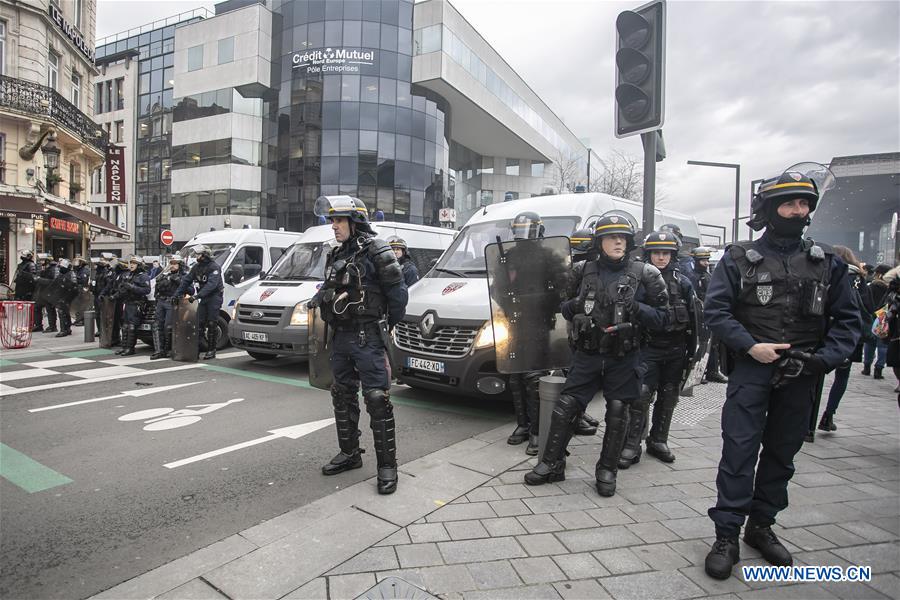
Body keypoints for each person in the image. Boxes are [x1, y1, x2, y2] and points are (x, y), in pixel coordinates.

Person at [702, 164, 860, 580]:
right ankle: (727, 533)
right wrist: (750, 345)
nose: (798, 209)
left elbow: (848, 322)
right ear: (770, 209)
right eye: (789, 203)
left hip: (804, 372)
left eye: (804, 203)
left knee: (782, 454)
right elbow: (716, 311)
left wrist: (823, 359)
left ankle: (762, 525)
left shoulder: (828, 262)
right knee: (738, 453)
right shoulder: (738, 258)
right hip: (752, 370)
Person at [524, 213, 668, 497]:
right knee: (566, 406)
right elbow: (561, 306)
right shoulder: (581, 270)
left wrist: (636, 310)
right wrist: (576, 307)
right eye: (611, 237)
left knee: (617, 410)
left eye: (622, 237)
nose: (618, 241)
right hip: (588, 353)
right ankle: (551, 463)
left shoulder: (647, 273)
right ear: (599, 241)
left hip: (623, 356)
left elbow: (665, 319)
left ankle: (607, 469)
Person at [307, 195, 408, 495]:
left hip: (368, 337)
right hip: (341, 337)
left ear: (356, 221)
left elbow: (399, 295)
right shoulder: (336, 253)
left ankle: (387, 466)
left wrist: (384, 325)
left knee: (377, 399)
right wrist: (320, 298)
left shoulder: (378, 251)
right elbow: (327, 286)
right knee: (342, 393)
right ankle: (350, 453)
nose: (333, 226)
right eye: (332, 220)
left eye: (338, 220)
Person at [619, 230, 696, 468]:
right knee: (640, 396)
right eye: (656, 253)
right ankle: (632, 444)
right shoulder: (638, 280)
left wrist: (693, 354)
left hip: (676, 348)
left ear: (672, 255)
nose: (661, 257)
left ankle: (659, 440)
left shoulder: (683, 282)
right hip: (648, 346)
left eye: (665, 253)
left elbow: (695, 317)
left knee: (669, 395)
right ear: (648, 254)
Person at [817, 246, 871, 432]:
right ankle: (828, 415)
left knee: (815, 374)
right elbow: (867, 306)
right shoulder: (857, 278)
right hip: (847, 333)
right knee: (842, 375)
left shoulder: (822, 272)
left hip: (823, 331)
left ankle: (809, 421)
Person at [687, 247, 728, 384]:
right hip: (699, 316)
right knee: (700, 344)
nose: (706, 263)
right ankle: (698, 372)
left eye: (707, 260)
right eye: (703, 260)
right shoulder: (692, 277)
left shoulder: (708, 276)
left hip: (710, 314)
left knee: (713, 344)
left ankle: (712, 371)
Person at [176, 246, 225, 360]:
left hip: (214, 297)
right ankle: (196, 349)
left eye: (198, 254)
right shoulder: (196, 267)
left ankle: (212, 350)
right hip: (203, 297)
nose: (196, 257)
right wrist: (177, 294)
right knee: (199, 324)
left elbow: (211, 285)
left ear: (204, 255)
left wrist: (197, 296)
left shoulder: (214, 267)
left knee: (212, 323)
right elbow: (186, 281)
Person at [150, 256, 187, 360]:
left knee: (168, 327)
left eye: (175, 263)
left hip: (172, 302)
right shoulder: (166, 275)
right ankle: (159, 350)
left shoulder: (184, 276)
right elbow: (157, 288)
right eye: (171, 263)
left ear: (180, 265)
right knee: (157, 325)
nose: (172, 265)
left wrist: (179, 281)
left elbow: (191, 290)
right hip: (161, 301)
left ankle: (169, 350)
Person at [114, 256, 151, 356]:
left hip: (136, 304)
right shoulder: (129, 275)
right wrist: (116, 295)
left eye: (134, 263)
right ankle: (124, 347)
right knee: (125, 326)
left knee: (131, 326)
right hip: (127, 303)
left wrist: (132, 287)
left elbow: (147, 290)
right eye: (131, 263)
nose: (132, 265)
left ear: (139, 265)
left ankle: (130, 348)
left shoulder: (143, 276)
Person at [862, 264, 891, 379]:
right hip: (885, 317)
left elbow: (866, 302)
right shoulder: (891, 288)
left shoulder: (871, 286)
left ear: (879, 274)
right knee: (883, 344)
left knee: (869, 342)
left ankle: (866, 367)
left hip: (872, 316)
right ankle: (878, 369)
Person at [52, 258, 79, 337]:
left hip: (66, 297)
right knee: (64, 313)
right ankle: (67, 329)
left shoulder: (71, 274)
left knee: (62, 312)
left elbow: (73, 286)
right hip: (61, 296)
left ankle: (64, 330)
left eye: (61, 266)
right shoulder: (62, 274)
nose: (60, 268)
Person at [34, 254, 59, 333]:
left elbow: (53, 282)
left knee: (50, 309)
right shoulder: (47, 268)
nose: (41, 262)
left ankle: (52, 326)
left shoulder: (54, 269)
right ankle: (38, 325)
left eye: (43, 260)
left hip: (50, 292)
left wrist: (40, 279)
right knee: (37, 307)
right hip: (43, 292)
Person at [91, 255, 113, 340]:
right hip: (97, 295)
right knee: (97, 314)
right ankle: (100, 330)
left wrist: (103, 293)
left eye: (97, 265)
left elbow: (108, 285)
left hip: (103, 296)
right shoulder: (97, 273)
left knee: (103, 314)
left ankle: (103, 330)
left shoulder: (105, 273)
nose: (95, 266)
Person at [72, 256, 91, 326]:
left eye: (78, 262)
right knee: (78, 305)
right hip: (78, 289)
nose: (76, 263)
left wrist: (76, 278)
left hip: (83, 290)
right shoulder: (78, 270)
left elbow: (84, 280)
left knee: (82, 306)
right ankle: (78, 319)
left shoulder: (85, 270)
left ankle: (82, 320)